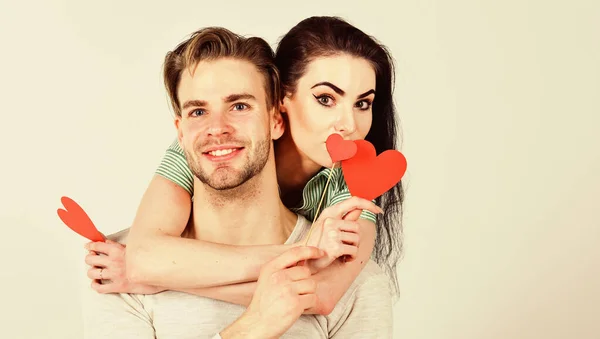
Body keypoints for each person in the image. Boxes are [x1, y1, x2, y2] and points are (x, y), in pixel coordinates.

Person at [83, 26, 393, 339]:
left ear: (274, 118)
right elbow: (142, 258)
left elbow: (324, 295)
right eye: (198, 111)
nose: (348, 124)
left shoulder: (350, 209)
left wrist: (167, 279)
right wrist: (303, 258)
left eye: (240, 106)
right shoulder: (116, 266)